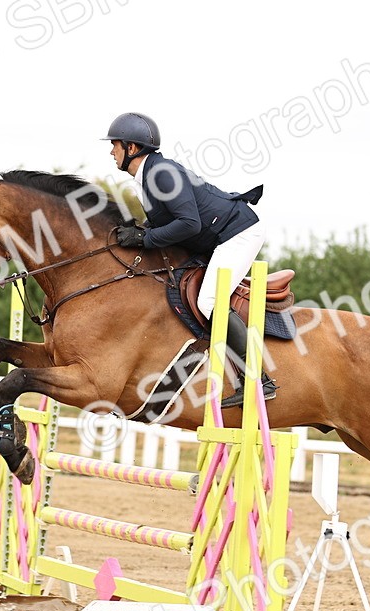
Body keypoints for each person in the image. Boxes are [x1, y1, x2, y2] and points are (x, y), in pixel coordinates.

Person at [103, 111, 275, 408]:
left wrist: (144, 238)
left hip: (237, 234)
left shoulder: (161, 173)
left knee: (208, 301)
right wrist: (141, 232)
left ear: (132, 148)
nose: (111, 151)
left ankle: (257, 380)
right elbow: (170, 223)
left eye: (115, 144)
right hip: (214, 237)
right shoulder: (148, 175)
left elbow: (189, 224)